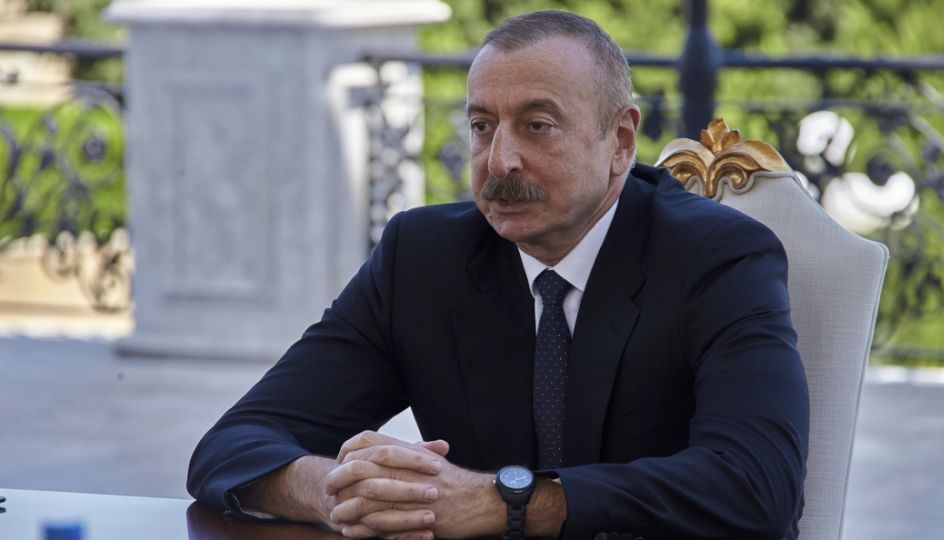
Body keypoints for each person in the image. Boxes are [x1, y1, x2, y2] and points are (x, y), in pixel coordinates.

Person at [187, 10, 809, 540]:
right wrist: (340, 491)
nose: (500, 161)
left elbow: (758, 485)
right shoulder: (422, 257)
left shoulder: (717, 257)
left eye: (538, 126)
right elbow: (232, 445)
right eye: (482, 127)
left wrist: (502, 502)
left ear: (620, 141)